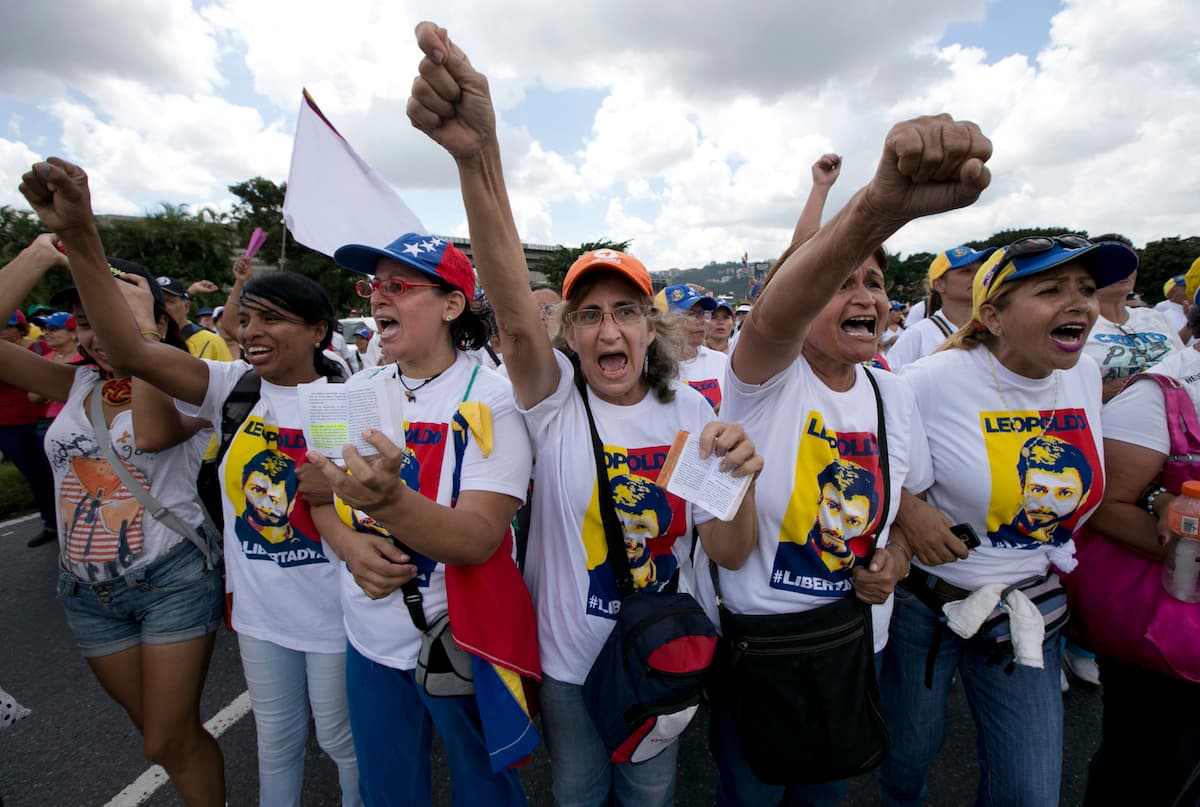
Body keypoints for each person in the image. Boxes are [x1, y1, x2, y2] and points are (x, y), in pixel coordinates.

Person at [407, 23, 764, 805]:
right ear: (568, 333)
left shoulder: (691, 412)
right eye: (591, 314)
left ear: (650, 326)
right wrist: (476, 159)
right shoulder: (555, 403)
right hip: (570, 664)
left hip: (664, 654)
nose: (610, 329)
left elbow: (731, 551)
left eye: (627, 311)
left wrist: (738, 479)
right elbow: (506, 291)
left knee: (648, 794)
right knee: (575, 792)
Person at [20, 159, 362, 807]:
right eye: (248, 319)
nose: (253, 332)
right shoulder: (233, 389)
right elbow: (132, 353)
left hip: (334, 614)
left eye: (275, 320)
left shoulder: (355, 396)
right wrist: (83, 235)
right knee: (277, 740)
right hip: (261, 614)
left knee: (341, 740)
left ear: (319, 331)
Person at [705, 122, 972, 799]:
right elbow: (774, 310)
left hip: (854, 650)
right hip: (762, 655)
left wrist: (896, 563)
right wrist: (873, 208)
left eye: (876, 284)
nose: (865, 297)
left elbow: (897, 518)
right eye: (842, 282)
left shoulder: (894, 393)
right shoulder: (765, 376)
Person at [881, 234, 1138, 805]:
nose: (1080, 304)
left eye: (1087, 290)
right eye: (1051, 290)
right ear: (992, 315)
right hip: (929, 604)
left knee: (1029, 792)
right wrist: (909, 507)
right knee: (908, 757)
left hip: (1029, 609)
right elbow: (862, 461)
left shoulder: (1084, 375)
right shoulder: (928, 381)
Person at [301, 232, 538, 804]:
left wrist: (386, 503)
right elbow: (313, 492)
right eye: (373, 286)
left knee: (486, 790)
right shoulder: (358, 389)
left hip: (460, 638)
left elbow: (478, 540)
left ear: (452, 305)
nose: (378, 299)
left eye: (399, 286)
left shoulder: (495, 399)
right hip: (368, 638)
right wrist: (351, 547)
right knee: (388, 791)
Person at [0, 232, 225, 804]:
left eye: (108, 316)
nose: (94, 336)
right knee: (165, 739)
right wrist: (39, 255)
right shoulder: (75, 383)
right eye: (83, 323)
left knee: (164, 739)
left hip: (170, 579)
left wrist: (141, 334)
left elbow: (149, 435)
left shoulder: (191, 377)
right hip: (86, 592)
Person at [1079, 342, 1200, 806]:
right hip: (1163, 638)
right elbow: (1098, 503)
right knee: (1150, 769)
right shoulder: (1162, 394)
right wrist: (1169, 517)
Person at [0, 306, 58, 548]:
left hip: (42, 418)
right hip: (7, 423)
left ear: (20, 328)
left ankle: (70, 520)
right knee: (33, 475)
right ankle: (49, 523)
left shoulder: (39, 348)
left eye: (9, 326)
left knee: (55, 472)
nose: (4, 331)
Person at [887, 244, 996, 370]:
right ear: (939, 285)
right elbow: (892, 380)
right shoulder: (918, 334)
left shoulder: (995, 329)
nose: (978, 276)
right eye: (966, 271)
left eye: (981, 269)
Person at [1082, 266, 1181, 401]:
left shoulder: (1156, 317)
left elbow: (1187, 365)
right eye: (1111, 263)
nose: (1123, 268)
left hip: (1179, 415)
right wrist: (1100, 392)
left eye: (1128, 263)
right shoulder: (1076, 325)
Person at [661, 284, 727, 411]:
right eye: (691, 314)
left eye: (702, 313)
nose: (701, 320)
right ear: (664, 322)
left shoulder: (723, 363)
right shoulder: (649, 370)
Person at [155, 277, 233, 362]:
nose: (161, 306)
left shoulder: (211, 342)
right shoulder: (145, 340)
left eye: (169, 301)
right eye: (156, 301)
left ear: (186, 307)